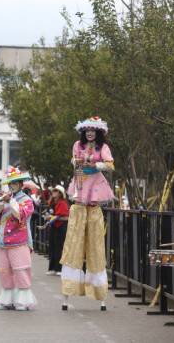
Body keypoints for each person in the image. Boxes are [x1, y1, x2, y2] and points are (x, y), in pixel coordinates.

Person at [61, 117, 114, 311]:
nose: (90, 133)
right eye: (87, 130)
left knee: (96, 246)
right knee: (73, 244)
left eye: (93, 130)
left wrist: (97, 166)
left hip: (95, 188)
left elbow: (110, 164)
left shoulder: (103, 147)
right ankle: (68, 291)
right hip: (80, 185)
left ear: (98, 133)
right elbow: (74, 160)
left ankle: (100, 294)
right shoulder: (78, 145)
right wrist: (77, 162)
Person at [0, 166, 38, 311]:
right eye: (10, 183)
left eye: (15, 183)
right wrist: (0, 202)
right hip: (4, 240)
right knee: (4, 270)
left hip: (19, 241)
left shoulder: (27, 200)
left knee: (20, 270)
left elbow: (20, 215)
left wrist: (10, 201)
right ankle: (7, 300)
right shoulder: (7, 198)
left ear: (20, 184)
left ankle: (24, 301)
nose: (11, 186)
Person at [41, 185, 69, 275]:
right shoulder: (52, 203)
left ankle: (59, 269)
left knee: (59, 247)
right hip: (53, 227)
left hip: (60, 227)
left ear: (60, 193)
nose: (53, 192)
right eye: (53, 191)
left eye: (55, 191)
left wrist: (53, 218)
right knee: (52, 247)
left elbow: (66, 217)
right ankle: (52, 268)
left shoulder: (63, 203)